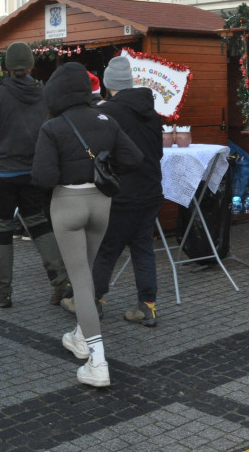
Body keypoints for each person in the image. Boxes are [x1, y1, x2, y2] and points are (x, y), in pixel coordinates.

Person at [32, 62, 142, 387]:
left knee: (79, 282)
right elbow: (134, 158)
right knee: (88, 276)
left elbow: (42, 177)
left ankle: (98, 362)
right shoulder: (106, 119)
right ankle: (81, 335)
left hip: (67, 204)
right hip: (101, 204)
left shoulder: (52, 127)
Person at [0, 42, 70, 309]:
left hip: (1, 174)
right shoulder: (42, 93)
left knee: (1, 231)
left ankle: (2, 291)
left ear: (7, 67)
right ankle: (62, 285)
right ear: (31, 66)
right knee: (40, 226)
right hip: (33, 172)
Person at [89, 55, 164, 327]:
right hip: (151, 190)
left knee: (107, 248)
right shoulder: (151, 112)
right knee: (142, 248)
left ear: (108, 84)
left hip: (122, 192)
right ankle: (147, 306)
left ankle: (94, 303)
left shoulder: (108, 113)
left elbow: (100, 155)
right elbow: (157, 152)